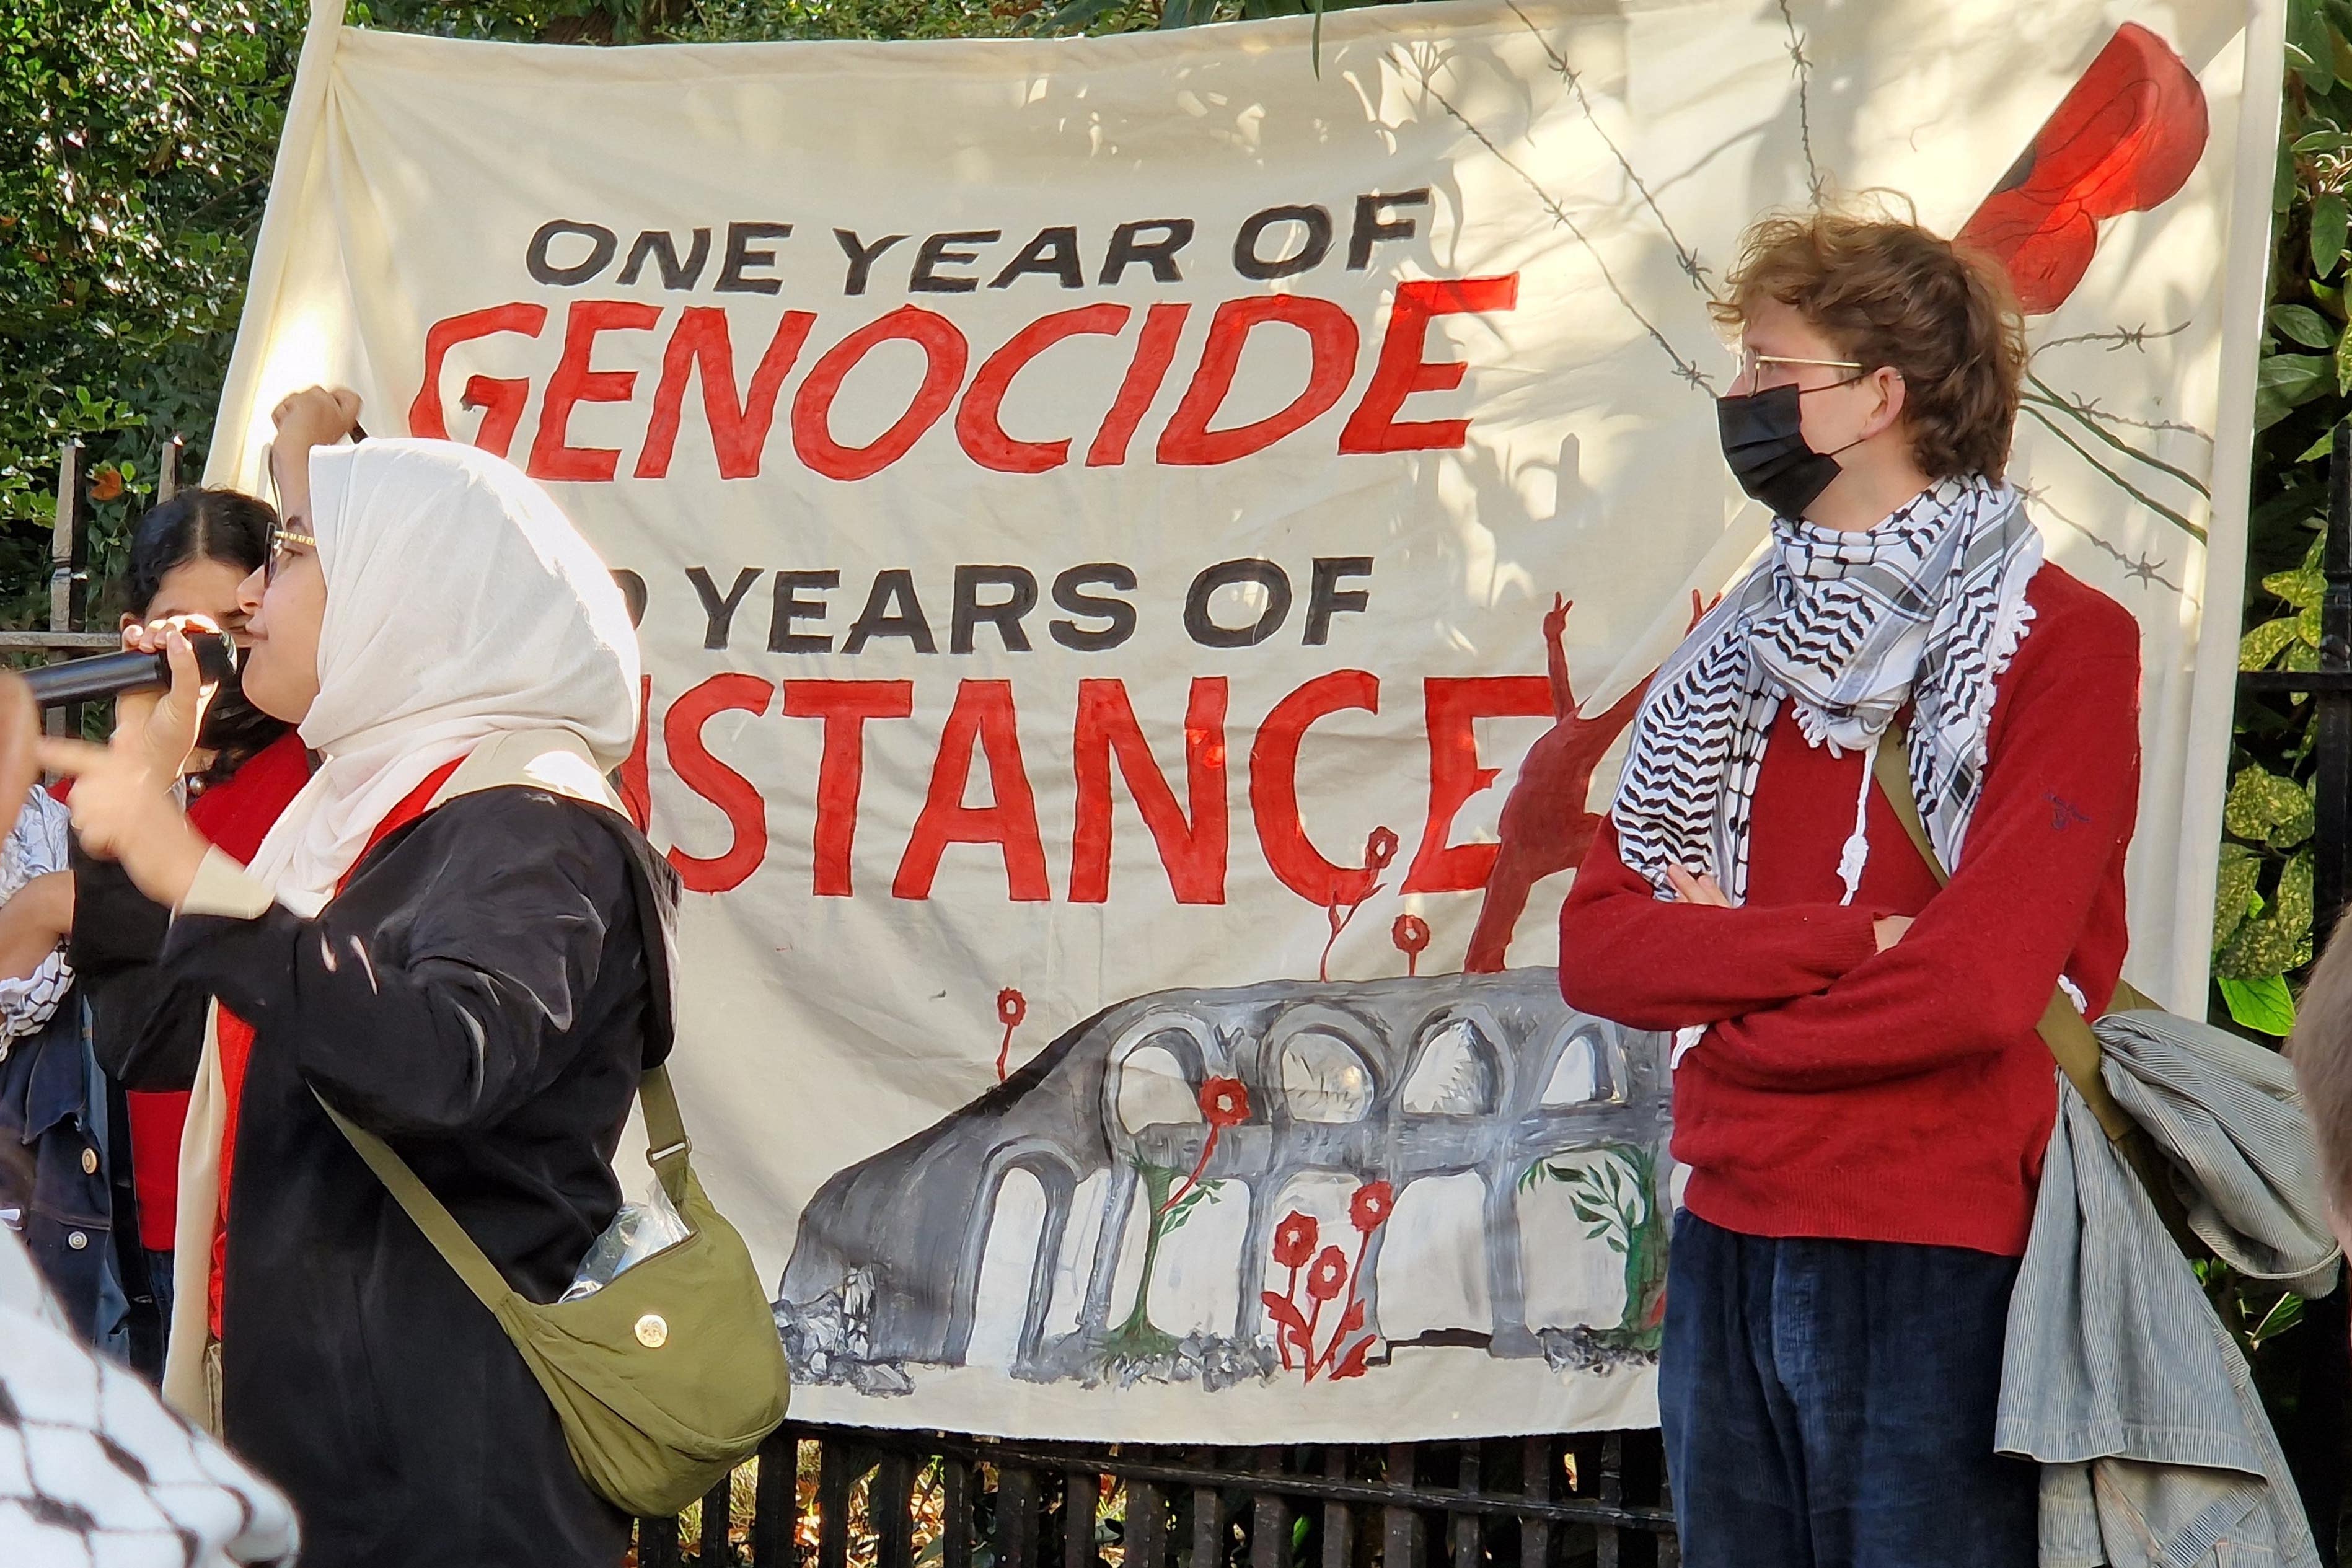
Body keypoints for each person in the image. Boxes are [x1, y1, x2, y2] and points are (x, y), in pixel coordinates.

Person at [1557, 211, 2142, 1567]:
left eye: (1773, 371)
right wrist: (1855, 939)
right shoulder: (1728, 655)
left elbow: (1980, 985)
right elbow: (1602, 950)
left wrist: (1730, 1014)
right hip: (1725, 1236)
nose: (1741, 402)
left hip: (1929, 1244)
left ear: (1878, 396)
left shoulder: (2058, 642)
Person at [44, 387, 672, 1568]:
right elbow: (159, 1036)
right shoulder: (347, 816)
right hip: (323, 1455)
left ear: (413, 588)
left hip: (454, 1481)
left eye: (284, 557)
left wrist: (201, 875)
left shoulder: (538, 822)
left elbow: (443, 1062)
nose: (244, 598)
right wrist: (149, 791)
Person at [0, 488, 310, 1378]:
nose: (197, 658)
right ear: (136, 629)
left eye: (222, 632)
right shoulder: (81, 796)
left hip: (238, 1213)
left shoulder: (307, 783)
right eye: (176, 628)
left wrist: (74, 901)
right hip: (90, 1202)